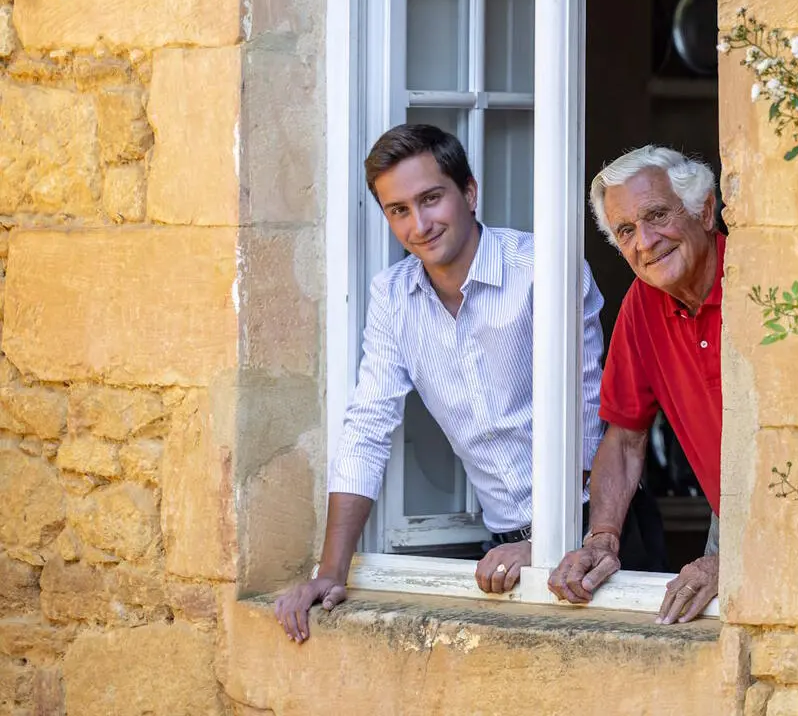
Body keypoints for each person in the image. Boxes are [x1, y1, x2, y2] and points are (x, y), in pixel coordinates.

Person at [273, 125, 662, 642]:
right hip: (504, 549)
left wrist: (548, 545)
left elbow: (591, 416)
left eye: (431, 199)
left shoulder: (540, 270)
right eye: (399, 210)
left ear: (470, 192)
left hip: (607, 530)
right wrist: (330, 572)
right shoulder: (392, 298)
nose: (420, 224)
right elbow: (367, 428)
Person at [547, 146, 725, 625]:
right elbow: (625, 438)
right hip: (729, 514)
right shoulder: (642, 305)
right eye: (626, 231)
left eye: (657, 215)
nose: (645, 242)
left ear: (705, 211)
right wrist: (601, 538)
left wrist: (737, 560)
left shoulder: (755, 283)